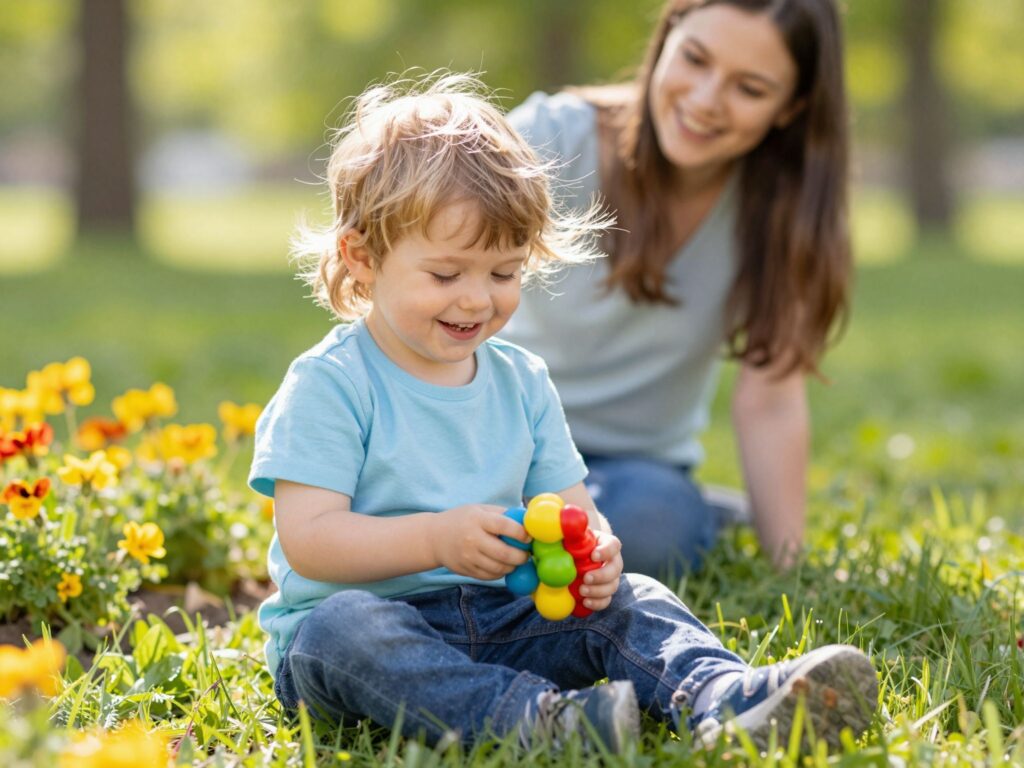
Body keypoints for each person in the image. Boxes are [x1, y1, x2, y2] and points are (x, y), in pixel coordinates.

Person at [249, 72, 876, 754]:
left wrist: (596, 553)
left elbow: (571, 506)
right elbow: (311, 541)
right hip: (365, 639)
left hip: (502, 617)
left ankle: (726, 698)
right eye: (446, 274)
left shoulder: (521, 380)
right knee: (345, 628)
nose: (476, 300)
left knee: (636, 595)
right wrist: (435, 541)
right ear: (362, 258)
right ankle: (534, 722)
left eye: (503, 273)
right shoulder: (333, 383)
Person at [502, 0, 852, 578]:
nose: (705, 99)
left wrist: (790, 567)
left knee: (652, 532)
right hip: (497, 445)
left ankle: (684, 514)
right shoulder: (546, 140)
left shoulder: (783, 212)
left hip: (633, 470)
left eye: (750, 88)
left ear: (790, 107)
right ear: (665, 38)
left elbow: (771, 401)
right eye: (695, 58)